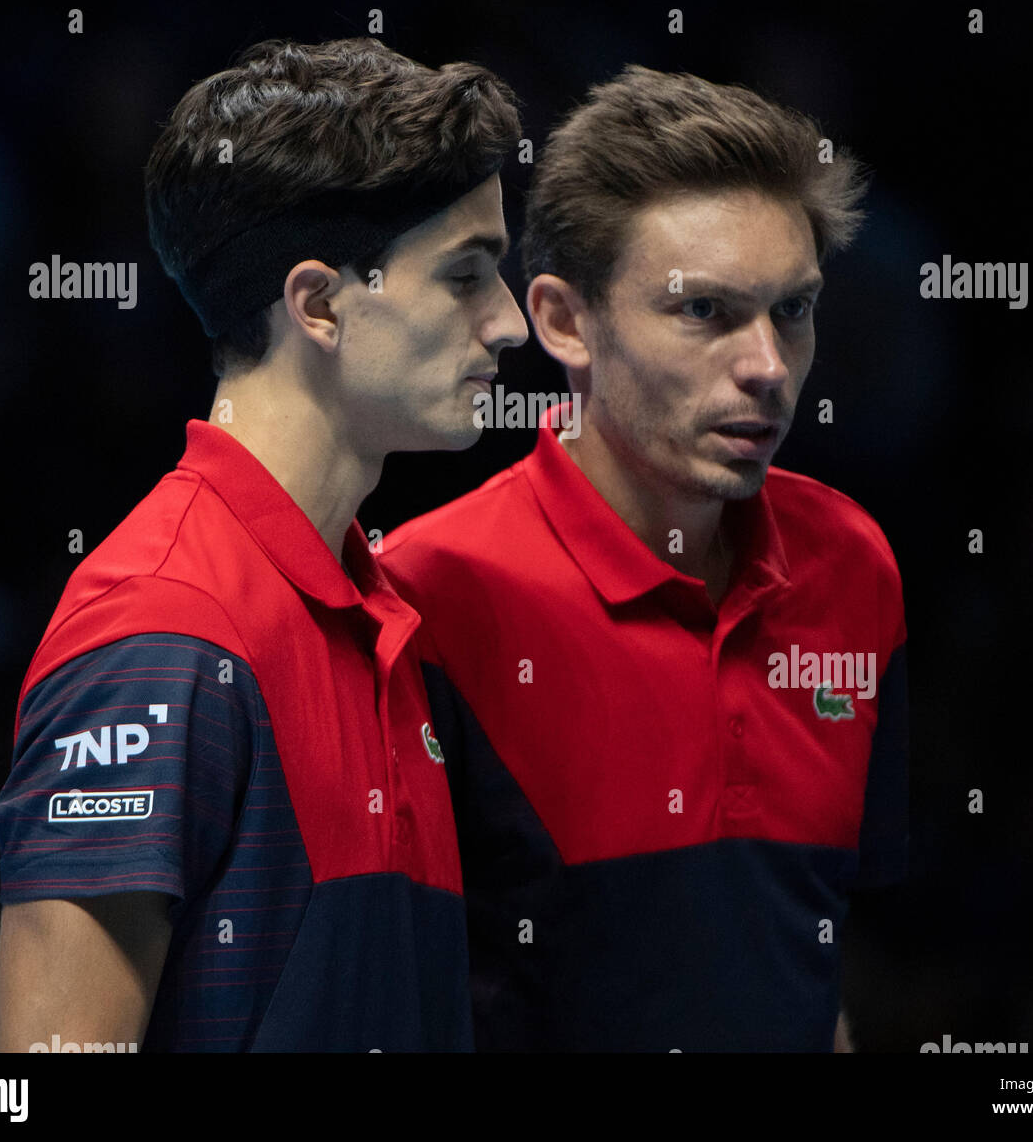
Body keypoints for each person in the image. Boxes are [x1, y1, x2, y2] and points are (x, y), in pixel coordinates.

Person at [0, 37, 528, 1051]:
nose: (507, 322)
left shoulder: (386, 613)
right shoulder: (159, 629)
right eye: (465, 275)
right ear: (318, 303)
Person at [379, 64, 907, 1051]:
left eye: (791, 309)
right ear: (565, 320)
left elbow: (804, 951)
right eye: (703, 311)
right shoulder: (427, 593)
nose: (764, 365)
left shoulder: (853, 563)